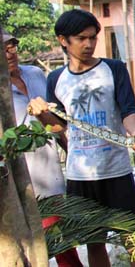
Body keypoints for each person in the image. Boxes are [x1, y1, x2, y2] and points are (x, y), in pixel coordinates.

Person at [27, 9, 135, 267]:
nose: (89, 44)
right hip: (80, 175)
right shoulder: (56, 79)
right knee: (94, 242)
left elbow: (128, 109)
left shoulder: (114, 69)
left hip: (116, 170)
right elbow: (58, 128)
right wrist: (41, 116)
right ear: (63, 40)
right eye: (82, 38)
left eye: (93, 38)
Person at [4, 29, 83, 267]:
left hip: (51, 177)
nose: (9, 53)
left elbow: (57, 124)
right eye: (2, 49)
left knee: (65, 246)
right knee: (35, 249)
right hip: (21, 185)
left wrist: (72, 151)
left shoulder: (36, 74)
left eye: (11, 46)